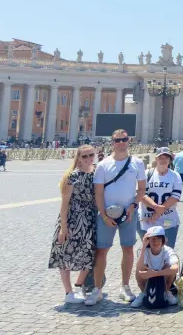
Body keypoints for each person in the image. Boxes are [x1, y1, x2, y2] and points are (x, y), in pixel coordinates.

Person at [87, 130, 146, 305]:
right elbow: (98, 192)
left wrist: (134, 205)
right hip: (107, 215)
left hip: (129, 213)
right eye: (117, 140)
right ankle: (97, 289)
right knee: (101, 250)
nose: (121, 142)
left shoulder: (137, 163)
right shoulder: (103, 165)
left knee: (128, 249)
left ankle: (125, 287)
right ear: (112, 142)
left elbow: (141, 189)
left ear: (129, 141)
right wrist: (103, 215)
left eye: (124, 139)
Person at [48, 145, 97, 304]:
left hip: (89, 219)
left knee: (90, 253)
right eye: (85, 156)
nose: (89, 158)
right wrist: (63, 226)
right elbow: (65, 203)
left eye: (91, 155)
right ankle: (68, 292)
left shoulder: (97, 174)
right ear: (79, 159)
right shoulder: (72, 176)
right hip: (72, 219)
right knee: (65, 254)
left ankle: (78, 285)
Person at [139, 147, 182, 247]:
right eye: (160, 157)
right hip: (148, 219)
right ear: (156, 159)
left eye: (166, 158)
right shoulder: (147, 174)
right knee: (149, 249)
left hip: (168, 218)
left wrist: (160, 210)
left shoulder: (175, 176)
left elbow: (175, 196)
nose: (163, 160)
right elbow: (142, 194)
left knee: (168, 247)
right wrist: (156, 207)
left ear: (170, 160)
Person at [130, 227, 179, 308]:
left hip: (162, 276)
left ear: (163, 240)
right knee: (139, 269)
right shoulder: (144, 250)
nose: (156, 242)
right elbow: (140, 267)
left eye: (158, 239)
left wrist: (155, 273)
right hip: (148, 278)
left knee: (169, 266)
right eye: (153, 239)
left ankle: (166, 292)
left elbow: (175, 268)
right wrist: (143, 246)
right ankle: (143, 293)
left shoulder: (168, 250)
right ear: (148, 240)